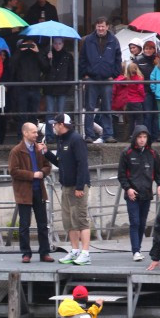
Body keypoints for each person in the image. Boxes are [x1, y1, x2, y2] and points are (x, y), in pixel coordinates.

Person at [45, 113, 92, 265]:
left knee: (81, 219)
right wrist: (46, 153)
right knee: (69, 221)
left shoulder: (76, 139)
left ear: (61, 124)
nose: (53, 127)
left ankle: (85, 253)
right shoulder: (61, 140)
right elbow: (60, 162)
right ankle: (74, 251)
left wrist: (80, 186)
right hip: (66, 186)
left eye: (55, 124)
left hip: (77, 186)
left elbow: (82, 164)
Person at [8, 121, 54, 263]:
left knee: (42, 224)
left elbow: (48, 165)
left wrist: (42, 173)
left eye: (36, 132)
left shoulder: (39, 148)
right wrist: (32, 175)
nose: (36, 134)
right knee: (24, 224)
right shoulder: (16, 151)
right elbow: (13, 171)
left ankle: (44, 252)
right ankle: (26, 253)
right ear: (25, 133)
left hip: (38, 190)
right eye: (33, 132)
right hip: (24, 192)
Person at [118, 124, 160, 262]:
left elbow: (158, 174)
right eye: (139, 137)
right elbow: (121, 175)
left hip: (146, 193)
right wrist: (128, 188)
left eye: (144, 137)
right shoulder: (127, 153)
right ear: (135, 138)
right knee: (135, 222)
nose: (142, 140)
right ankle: (135, 250)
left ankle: (138, 247)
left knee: (142, 223)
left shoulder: (153, 154)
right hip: (132, 194)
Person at [79, 18, 123, 143]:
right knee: (89, 108)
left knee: (107, 108)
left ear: (107, 26)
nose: (101, 29)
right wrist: (85, 75)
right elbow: (82, 58)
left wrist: (114, 75)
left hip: (107, 80)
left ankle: (108, 134)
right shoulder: (88, 40)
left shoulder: (114, 40)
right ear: (95, 27)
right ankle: (88, 135)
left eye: (103, 26)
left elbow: (118, 59)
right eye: (98, 26)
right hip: (91, 79)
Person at [42, 38, 73, 141]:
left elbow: (71, 72)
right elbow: (44, 69)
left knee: (60, 114)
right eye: (55, 43)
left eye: (59, 43)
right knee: (49, 112)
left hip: (62, 87)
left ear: (63, 44)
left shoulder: (68, 56)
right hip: (50, 87)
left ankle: (61, 135)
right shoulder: (48, 54)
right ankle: (49, 136)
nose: (57, 46)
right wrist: (47, 59)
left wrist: (67, 86)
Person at [10, 38, 46, 128]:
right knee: (22, 115)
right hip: (22, 88)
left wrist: (37, 52)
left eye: (31, 44)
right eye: (26, 44)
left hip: (35, 88)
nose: (28, 46)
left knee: (33, 115)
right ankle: (21, 138)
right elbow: (11, 67)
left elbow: (46, 67)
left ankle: (33, 136)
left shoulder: (38, 53)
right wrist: (19, 51)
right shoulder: (19, 53)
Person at [111, 61, 145, 140]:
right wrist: (143, 96)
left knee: (131, 120)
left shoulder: (127, 79)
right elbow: (140, 89)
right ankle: (137, 135)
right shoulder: (139, 78)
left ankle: (130, 136)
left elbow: (118, 81)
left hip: (129, 102)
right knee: (139, 119)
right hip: (137, 101)